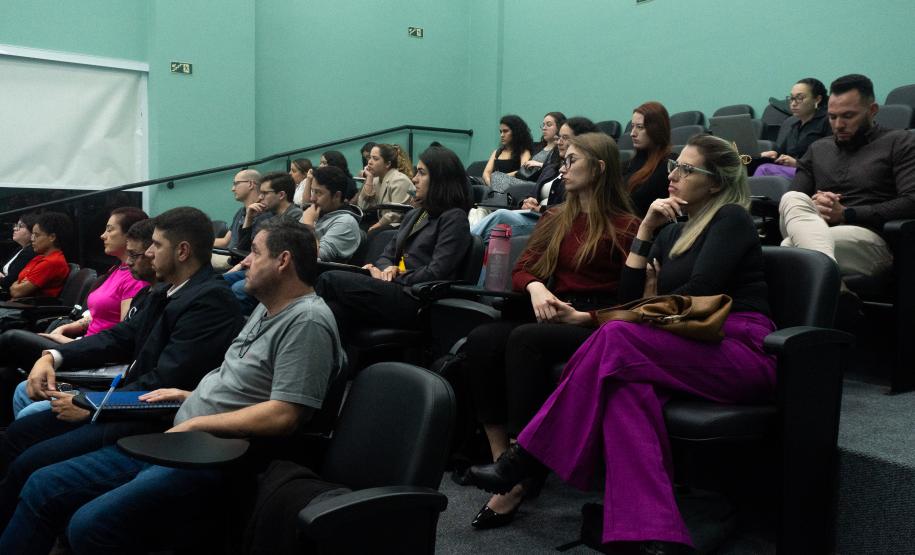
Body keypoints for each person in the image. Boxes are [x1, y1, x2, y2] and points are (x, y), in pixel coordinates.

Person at [466, 135, 774, 553]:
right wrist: (646, 230)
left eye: (687, 169)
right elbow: (631, 294)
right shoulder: (672, 231)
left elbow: (699, 292)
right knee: (625, 393)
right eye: (674, 167)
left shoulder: (731, 219)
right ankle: (653, 535)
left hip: (737, 346)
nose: (674, 175)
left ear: (716, 183)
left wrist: (647, 298)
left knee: (613, 335)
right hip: (683, 344)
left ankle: (527, 457)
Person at [0, 220, 344, 555]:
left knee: (88, 525)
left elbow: (284, 414)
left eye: (254, 252)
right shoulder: (268, 309)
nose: (245, 260)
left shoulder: (307, 321)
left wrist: (198, 421)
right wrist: (190, 397)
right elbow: (244, 386)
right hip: (180, 432)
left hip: (213, 452)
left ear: (283, 261)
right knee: (42, 482)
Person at [0, 207, 245, 536]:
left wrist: (91, 405)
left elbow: (165, 382)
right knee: (18, 438)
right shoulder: (167, 291)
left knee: (34, 471)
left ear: (183, 251)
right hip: (121, 405)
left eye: (156, 245)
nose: (147, 252)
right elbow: (119, 337)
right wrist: (54, 355)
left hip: (148, 421)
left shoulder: (209, 302)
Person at [464, 132, 639, 529]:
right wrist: (536, 286)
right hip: (549, 307)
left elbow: (631, 297)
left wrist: (575, 312)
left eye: (572, 160)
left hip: (594, 321)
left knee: (525, 340)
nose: (563, 167)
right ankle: (503, 462)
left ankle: (524, 467)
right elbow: (524, 267)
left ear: (598, 169)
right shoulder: (557, 215)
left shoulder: (628, 226)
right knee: (482, 339)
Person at [3, 207, 149, 419]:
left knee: (11, 338)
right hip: (83, 341)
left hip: (96, 355)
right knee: (9, 370)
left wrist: (69, 341)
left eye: (109, 229)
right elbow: (97, 312)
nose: (102, 235)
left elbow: (123, 332)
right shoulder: (117, 270)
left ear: (130, 236)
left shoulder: (135, 278)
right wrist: (71, 327)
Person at [316, 146, 472, 339]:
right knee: (334, 310)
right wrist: (384, 270)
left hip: (415, 298)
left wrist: (395, 275)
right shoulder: (416, 214)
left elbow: (437, 272)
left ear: (441, 179)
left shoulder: (454, 218)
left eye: (422, 173)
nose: (414, 179)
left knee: (329, 278)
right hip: (394, 289)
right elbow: (387, 254)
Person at [779, 74, 915, 289]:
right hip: (817, 229)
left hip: (867, 236)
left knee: (788, 249)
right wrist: (815, 206)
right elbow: (797, 199)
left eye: (848, 116)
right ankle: (839, 294)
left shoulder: (900, 142)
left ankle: (831, 293)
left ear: (872, 111)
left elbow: (911, 201)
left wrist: (846, 213)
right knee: (792, 198)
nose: (838, 125)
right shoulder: (818, 149)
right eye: (832, 117)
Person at [471, 117, 599, 242]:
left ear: (582, 140)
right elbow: (532, 193)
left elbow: (572, 206)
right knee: (479, 212)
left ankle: (466, 244)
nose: (559, 142)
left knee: (500, 217)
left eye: (565, 138)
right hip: (533, 215)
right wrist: (526, 202)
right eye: (558, 137)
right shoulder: (551, 168)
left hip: (550, 220)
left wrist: (541, 209)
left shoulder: (579, 173)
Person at [225, 172, 305, 314]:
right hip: (257, 266)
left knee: (238, 288)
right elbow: (242, 249)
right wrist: (249, 218)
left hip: (275, 272)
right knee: (220, 280)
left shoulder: (295, 216)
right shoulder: (270, 217)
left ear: (281, 195)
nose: (260, 197)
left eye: (264, 193)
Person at [755, 78, 831, 178]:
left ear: (817, 99)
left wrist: (797, 163)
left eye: (800, 98)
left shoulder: (827, 121)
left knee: (765, 169)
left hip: (812, 174)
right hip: (793, 171)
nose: (793, 103)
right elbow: (781, 153)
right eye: (791, 98)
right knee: (749, 165)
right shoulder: (794, 125)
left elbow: (829, 160)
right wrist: (773, 154)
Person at [300, 166, 363, 262]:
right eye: (313, 191)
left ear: (337, 196)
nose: (312, 198)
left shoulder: (346, 222)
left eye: (318, 193)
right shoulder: (316, 212)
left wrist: (309, 225)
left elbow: (315, 258)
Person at [625, 101, 677, 216]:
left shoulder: (669, 164)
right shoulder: (628, 164)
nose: (632, 133)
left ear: (656, 129)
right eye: (632, 126)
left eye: (640, 127)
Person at [4, 212, 71, 300]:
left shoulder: (52, 262)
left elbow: (16, 292)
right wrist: (19, 284)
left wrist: (20, 284)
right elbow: (15, 286)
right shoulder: (38, 258)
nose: (32, 239)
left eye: (37, 235)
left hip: (30, 310)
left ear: (52, 237)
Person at [355, 143, 415, 230]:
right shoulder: (375, 180)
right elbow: (363, 206)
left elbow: (397, 214)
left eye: (375, 159)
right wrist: (369, 178)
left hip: (399, 226)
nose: (369, 162)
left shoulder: (399, 180)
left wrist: (374, 227)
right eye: (369, 158)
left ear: (387, 164)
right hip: (385, 224)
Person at [212, 169, 262, 270]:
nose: (232, 189)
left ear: (251, 184)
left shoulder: (263, 214)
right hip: (228, 255)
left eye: (236, 184)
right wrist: (197, 241)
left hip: (237, 260)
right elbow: (225, 241)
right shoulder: (240, 211)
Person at [482, 115, 534, 186]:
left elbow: (522, 173)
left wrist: (500, 178)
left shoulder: (524, 152)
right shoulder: (497, 152)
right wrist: (490, 185)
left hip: (512, 188)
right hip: (494, 186)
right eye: (501, 132)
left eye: (505, 131)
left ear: (516, 132)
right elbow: (486, 173)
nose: (502, 135)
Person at [0, 214, 37, 293]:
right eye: (16, 225)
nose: (15, 228)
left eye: (20, 226)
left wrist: (2, 278)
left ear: (33, 232)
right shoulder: (19, 249)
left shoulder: (29, 252)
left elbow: (9, 281)